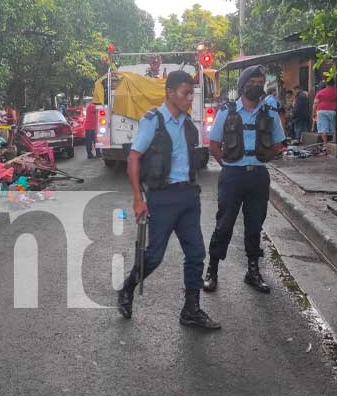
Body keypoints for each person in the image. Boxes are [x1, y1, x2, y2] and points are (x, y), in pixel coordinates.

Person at [117, 70, 221, 330]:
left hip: (188, 196)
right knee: (153, 256)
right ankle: (128, 287)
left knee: (196, 253)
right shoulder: (154, 120)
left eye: (191, 94)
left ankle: (191, 310)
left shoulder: (187, 124)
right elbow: (133, 158)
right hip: (162, 198)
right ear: (170, 93)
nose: (189, 99)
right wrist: (138, 198)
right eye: (186, 93)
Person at [203, 65, 285, 295]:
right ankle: (212, 270)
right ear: (242, 86)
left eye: (261, 82)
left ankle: (253, 271)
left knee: (254, 226)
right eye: (253, 82)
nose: (257, 86)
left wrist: (258, 160)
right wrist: (230, 166)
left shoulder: (269, 112)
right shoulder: (227, 111)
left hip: (258, 176)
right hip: (232, 176)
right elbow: (214, 145)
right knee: (224, 224)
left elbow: (278, 144)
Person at [312, 79, 337, 152]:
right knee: (334, 128)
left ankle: (325, 145)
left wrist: (313, 113)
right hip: (333, 110)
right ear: (334, 84)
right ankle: (333, 144)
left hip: (321, 111)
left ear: (326, 84)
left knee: (323, 128)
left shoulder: (320, 92)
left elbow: (315, 103)